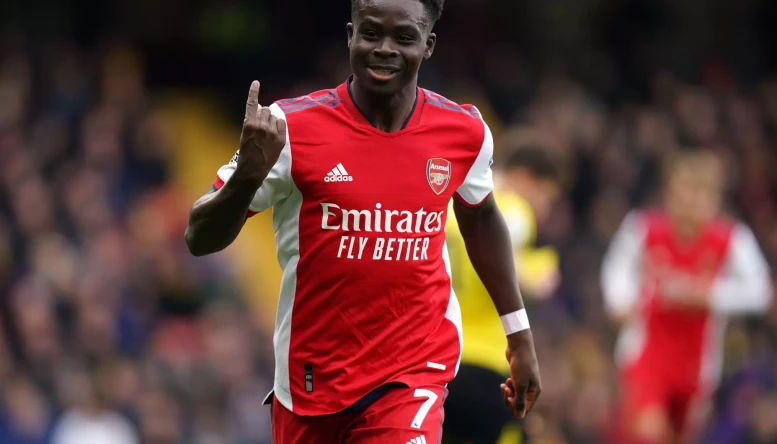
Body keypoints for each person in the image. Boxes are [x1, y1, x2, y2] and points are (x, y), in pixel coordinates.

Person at [184, 0, 542, 442]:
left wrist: (519, 335)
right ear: (350, 35)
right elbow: (199, 237)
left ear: (427, 46)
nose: (386, 48)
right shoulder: (289, 128)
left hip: (414, 371)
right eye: (372, 33)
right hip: (312, 381)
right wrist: (246, 178)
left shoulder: (463, 132)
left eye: (404, 38)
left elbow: (483, 218)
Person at [601, 150, 773, 444]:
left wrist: (710, 295)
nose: (689, 204)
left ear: (713, 200)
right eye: (683, 193)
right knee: (647, 433)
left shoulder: (732, 239)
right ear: (669, 193)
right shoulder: (643, 228)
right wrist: (619, 301)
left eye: (698, 195)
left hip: (698, 364)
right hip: (646, 353)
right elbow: (616, 267)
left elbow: (762, 292)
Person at [443, 146, 565, 444]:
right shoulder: (509, 208)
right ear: (524, 178)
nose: (544, 210)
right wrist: (528, 273)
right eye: (546, 197)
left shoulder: (446, 205)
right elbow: (509, 232)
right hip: (488, 367)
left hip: (438, 362)